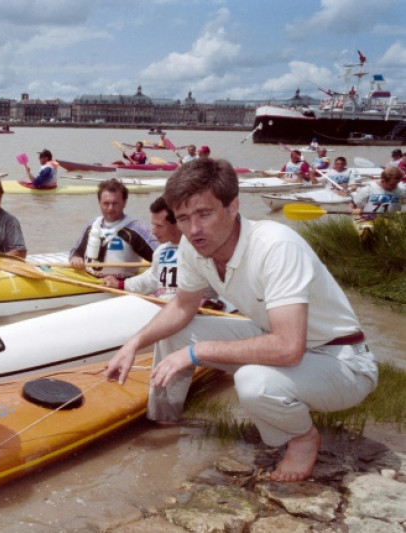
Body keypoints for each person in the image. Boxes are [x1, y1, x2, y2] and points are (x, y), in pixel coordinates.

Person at [104, 159, 378, 482]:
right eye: (183, 218)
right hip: (274, 335)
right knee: (178, 331)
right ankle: (164, 421)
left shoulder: (276, 247)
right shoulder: (194, 249)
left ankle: (302, 438)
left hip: (342, 361)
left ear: (234, 206)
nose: (193, 230)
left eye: (204, 214)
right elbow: (181, 307)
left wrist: (197, 353)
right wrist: (132, 344)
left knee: (252, 381)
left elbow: (289, 347)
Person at [69, 178, 157, 279]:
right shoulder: (91, 226)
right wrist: (76, 257)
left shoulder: (135, 230)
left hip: (121, 283)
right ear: (99, 203)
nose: (110, 208)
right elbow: (76, 251)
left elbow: (159, 257)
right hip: (91, 280)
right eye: (106, 203)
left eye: (115, 203)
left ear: (124, 203)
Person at [103, 197, 180, 299]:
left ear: (178, 223)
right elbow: (151, 280)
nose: (154, 232)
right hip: (164, 306)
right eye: (154, 225)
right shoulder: (161, 251)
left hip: (191, 309)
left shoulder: (198, 249)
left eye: (159, 226)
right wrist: (121, 285)